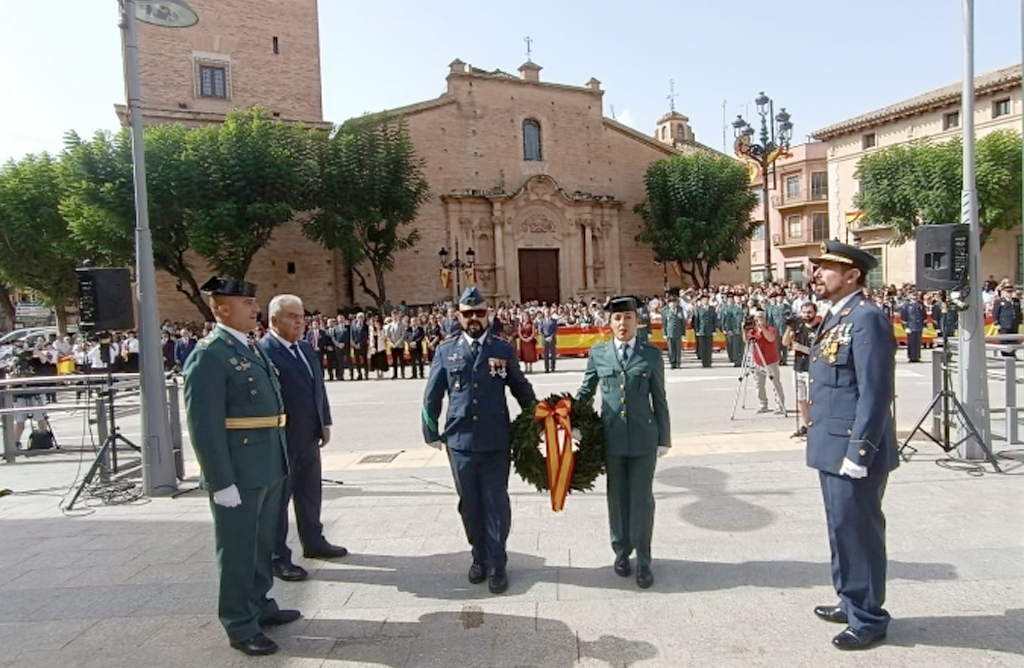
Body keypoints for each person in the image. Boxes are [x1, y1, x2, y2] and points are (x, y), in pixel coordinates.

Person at [182, 277, 299, 656]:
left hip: (267, 462)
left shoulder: (249, 346)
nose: (255, 309)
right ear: (222, 308)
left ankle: (260, 603)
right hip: (238, 469)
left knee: (261, 543)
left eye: (254, 302)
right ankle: (238, 622)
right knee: (236, 548)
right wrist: (220, 481)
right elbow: (204, 425)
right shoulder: (209, 353)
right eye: (247, 303)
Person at [807, 241, 898, 651]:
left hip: (853, 449)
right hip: (831, 444)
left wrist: (860, 452)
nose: (816, 275)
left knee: (859, 531)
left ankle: (869, 618)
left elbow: (875, 393)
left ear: (851, 275)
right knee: (841, 529)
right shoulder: (838, 317)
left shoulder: (867, 318)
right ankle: (850, 598)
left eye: (826, 269)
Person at [421, 287, 536, 594]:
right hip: (460, 442)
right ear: (458, 316)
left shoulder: (502, 348)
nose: (474, 318)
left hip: (496, 440)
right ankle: (478, 557)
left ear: (489, 315)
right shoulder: (446, 351)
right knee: (469, 504)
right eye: (468, 313)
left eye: (480, 313)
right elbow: (432, 394)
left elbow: (521, 388)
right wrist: (430, 430)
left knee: (496, 502)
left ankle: (498, 563)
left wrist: (538, 420)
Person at [576, 296, 670, 589]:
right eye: (617, 318)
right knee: (617, 499)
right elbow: (586, 391)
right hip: (612, 439)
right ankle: (621, 551)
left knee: (642, 500)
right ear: (609, 323)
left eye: (628, 318)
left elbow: (659, 398)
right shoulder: (599, 353)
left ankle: (643, 559)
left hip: (644, 439)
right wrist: (572, 421)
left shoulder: (651, 355)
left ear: (637, 321)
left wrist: (664, 438)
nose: (622, 324)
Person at [260, 294, 348, 584]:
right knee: (279, 499)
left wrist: (325, 422)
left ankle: (314, 541)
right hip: (281, 438)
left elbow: (317, 389)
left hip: (308, 435)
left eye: (301, 315)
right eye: (292, 316)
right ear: (274, 320)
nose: (299, 321)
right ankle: (278, 557)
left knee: (310, 492)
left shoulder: (306, 349)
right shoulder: (264, 352)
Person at [783, 301, 819, 437]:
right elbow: (785, 343)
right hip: (798, 367)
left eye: (809, 312)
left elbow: (819, 351)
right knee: (801, 399)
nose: (806, 315)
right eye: (804, 312)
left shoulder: (819, 329)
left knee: (812, 400)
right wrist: (789, 328)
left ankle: (815, 425)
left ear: (815, 313)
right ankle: (806, 425)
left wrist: (801, 348)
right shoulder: (799, 327)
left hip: (812, 369)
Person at [743, 309, 787, 415]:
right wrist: (744, 329)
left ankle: (780, 405)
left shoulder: (770, 328)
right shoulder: (752, 330)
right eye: (756, 317)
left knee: (775, 383)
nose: (758, 319)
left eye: (761, 317)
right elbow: (746, 341)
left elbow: (771, 338)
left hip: (770, 360)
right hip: (757, 361)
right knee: (759, 384)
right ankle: (763, 404)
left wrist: (762, 328)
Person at [993, 284, 1022, 358]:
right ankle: (1006, 355)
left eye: (1010, 292)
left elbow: (1018, 311)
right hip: (1004, 324)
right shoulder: (999, 301)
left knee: (1014, 340)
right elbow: (996, 312)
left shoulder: (1015, 301)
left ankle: (1012, 353)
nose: (1009, 293)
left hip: (1014, 324)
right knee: (1005, 340)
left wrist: (1020, 321)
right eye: (1007, 292)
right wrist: (996, 323)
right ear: (1003, 292)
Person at [900, 291, 926, 362]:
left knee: (918, 342)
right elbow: (904, 317)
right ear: (910, 296)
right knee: (911, 343)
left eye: (915, 295)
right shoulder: (906, 305)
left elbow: (923, 316)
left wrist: (924, 326)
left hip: (918, 326)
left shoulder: (920, 304)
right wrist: (905, 327)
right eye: (913, 295)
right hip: (911, 326)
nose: (914, 297)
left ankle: (917, 357)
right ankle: (911, 357)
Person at [692, 295, 716, 368]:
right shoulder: (698, 309)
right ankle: (704, 362)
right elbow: (696, 321)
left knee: (709, 347)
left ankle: (709, 362)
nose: (705, 301)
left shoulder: (712, 309)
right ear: (701, 301)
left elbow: (714, 320)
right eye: (704, 300)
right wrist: (696, 330)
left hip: (709, 330)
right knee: (702, 347)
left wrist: (714, 329)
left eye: (706, 300)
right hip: (701, 331)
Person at [661, 294, 684, 369]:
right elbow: (664, 323)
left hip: (678, 332)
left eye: (675, 302)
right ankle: (672, 363)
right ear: (668, 303)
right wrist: (664, 333)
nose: (673, 304)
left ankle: (678, 363)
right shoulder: (665, 310)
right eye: (671, 302)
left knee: (678, 349)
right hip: (669, 332)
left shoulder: (680, 310)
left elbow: (682, 322)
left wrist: (683, 333)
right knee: (671, 349)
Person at [385, 312, 408, 379]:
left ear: (398, 316)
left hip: (400, 345)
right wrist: (391, 343)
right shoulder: (390, 325)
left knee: (401, 360)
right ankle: (395, 374)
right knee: (394, 360)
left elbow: (403, 335)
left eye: (396, 316)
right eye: (393, 316)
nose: (394, 317)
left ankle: (402, 373)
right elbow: (388, 336)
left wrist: (398, 343)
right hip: (392, 345)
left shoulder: (402, 325)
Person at [539, 308, 559, 373]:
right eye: (546, 312)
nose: (547, 313)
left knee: (553, 354)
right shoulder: (541, 321)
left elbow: (555, 330)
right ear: (544, 313)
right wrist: (545, 337)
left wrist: (551, 337)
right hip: (545, 339)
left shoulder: (553, 321)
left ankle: (553, 367)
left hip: (552, 339)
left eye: (548, 312)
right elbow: (540, 331)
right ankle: (546, 368)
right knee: (546, 354)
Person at [349, 313, 368, 380]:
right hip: (355, 345)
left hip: (363, 345)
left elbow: (366, 336)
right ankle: (359, 374)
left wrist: (360, 344)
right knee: (357, 361)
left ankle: (366, 374)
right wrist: (353, 344)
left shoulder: (365, 326)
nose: (360, 318)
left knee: (364, 359)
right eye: (359, 317)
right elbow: (351, 335)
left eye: (361, 317)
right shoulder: (353, 326)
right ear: (356, 318)